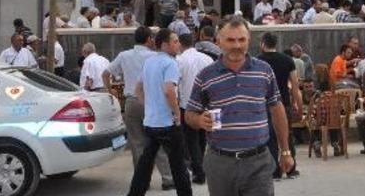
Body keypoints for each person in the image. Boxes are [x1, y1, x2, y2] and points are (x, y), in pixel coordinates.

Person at [185, 16, 294, 196]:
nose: (237, 45)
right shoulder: (206, 76)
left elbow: (277, 109)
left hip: (258, 162)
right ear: (218, 41)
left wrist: (286, 151)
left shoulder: (264, 70)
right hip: (220, 163)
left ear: (249, 40)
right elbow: (189, 114)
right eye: (230, 40)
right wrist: (199, 120)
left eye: (241, 39)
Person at [104, 27, 176, 190]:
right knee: (159, 140)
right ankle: (167, 178)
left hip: (131, 102)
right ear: (149, 39)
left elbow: (105, 73)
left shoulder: (124, 55)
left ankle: (142, 179)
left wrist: (111, 91)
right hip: (152, 103)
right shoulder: (156, 57)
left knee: (137, 143)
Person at [125, 30, 192, 196]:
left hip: (151, 122)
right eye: (175, 41)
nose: (178, 44)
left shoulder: (149, 62)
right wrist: (177, 113)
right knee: (178, 165)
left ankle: (135, 193)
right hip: (168, 123)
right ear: (164, 44)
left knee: (145, 163)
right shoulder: (170, 64)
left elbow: (138, 89)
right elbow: (169, 91)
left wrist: (149, 106)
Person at [257, 32, 303, 178]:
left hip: (264, 105)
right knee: (286, 134)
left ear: (263, 44)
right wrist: (298, 105)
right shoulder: (287, 60)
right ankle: (291, 168)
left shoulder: (257, 61)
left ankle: (274, 170)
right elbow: (295, 86)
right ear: (276, 44)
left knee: (270, 136)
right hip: (284, 102)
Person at [176, 32, 213, 184]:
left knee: (190, 140)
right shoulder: (207, 58)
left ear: (180, 44)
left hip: (187, 105)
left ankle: (199, 171)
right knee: (203, 137)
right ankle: (201, 166)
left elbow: (176, 84)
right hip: (206, 104)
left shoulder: (179, 60)